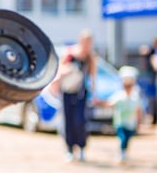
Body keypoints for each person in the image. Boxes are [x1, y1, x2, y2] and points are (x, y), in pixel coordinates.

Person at [55, 29, 98, 162]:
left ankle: (81, 148)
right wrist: (68, 70)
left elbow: (92, 76)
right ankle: (69, 149)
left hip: (81, 93)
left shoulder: (90, 57)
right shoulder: (70, 54)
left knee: (80, 120)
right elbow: (59, 70)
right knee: (68, 120)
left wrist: (94, 93)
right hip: (67, 92)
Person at [99, 66, 144, 164]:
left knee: (127, 139)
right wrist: (98, 102)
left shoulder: (135, 97)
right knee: (123, 138)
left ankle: (124, 152)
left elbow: (138, 110)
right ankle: (122, 153)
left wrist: (139, 122)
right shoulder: (119, 96)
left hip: (131, 123)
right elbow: (109, 103)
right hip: (120, 123)